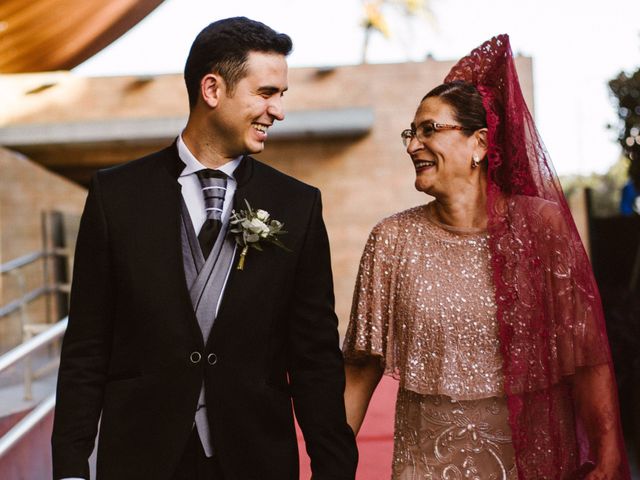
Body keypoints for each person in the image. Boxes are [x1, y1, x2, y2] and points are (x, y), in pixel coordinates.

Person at [52, 17, 357, 480]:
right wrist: (71, 468)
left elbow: (314, 355)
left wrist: (333, 469)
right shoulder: (116, 195)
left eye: (281, 96)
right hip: (141, 457)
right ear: (212, 90)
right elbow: (87, 345)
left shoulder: (297, 204)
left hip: (255, 458)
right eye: (266, 93)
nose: (278, 111)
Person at [342, 35, 630, 479]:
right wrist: (330, 460)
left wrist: (610, 451)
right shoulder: (391, 240)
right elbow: (361, 366)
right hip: (426, 465)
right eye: (410, 132)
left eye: (429, 130)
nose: (412, 145)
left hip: (531, 460)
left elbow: (586, 354)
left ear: (479, 143)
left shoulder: (542, 228)